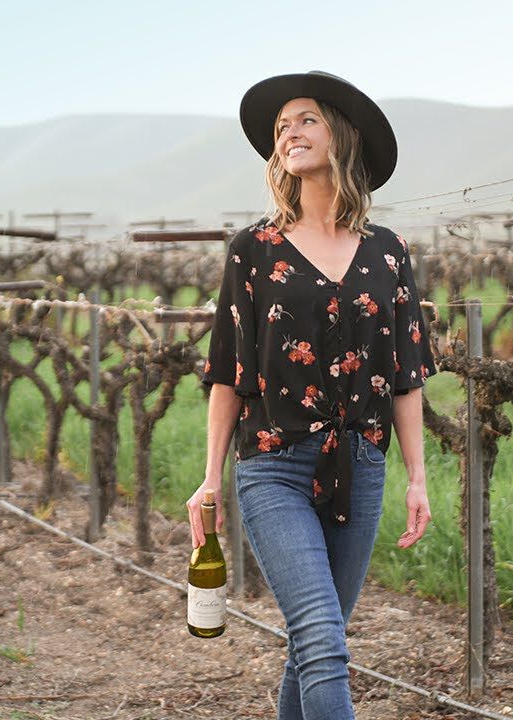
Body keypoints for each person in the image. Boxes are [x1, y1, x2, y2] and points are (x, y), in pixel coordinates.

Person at [187, 71, 437, 720]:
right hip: (275, 467)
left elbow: (406, 372)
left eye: (305, 120)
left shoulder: (388, 253)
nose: (289, 133)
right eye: (280, 128)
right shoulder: (253, 249)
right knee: (325, 644)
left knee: (313, 647)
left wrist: (417, 478)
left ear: (340, 136)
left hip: (362, 464)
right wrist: (209, 478)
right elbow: (228, 373)